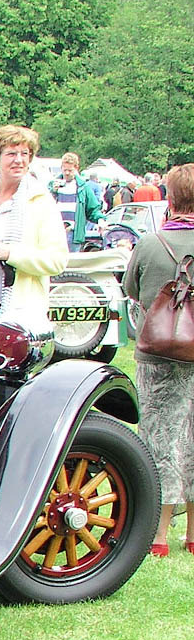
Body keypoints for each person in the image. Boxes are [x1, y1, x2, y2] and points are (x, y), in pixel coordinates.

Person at [121, 162, 194, 557]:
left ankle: (159, 533)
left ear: (169, 196)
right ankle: (193, 534)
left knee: (158, 437)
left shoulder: (149, 243)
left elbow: (132, 289)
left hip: (159, 352)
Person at [0, 125, 67, 329]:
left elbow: (57, 261)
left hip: (19, 316)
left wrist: (11, 253)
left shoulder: (41, 201)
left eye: (25, 154)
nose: (19, 160)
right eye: (11, 153)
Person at [48, 152, 104, 251]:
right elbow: (43, 207)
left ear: (77, 168)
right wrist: (52, 192)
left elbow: (93, 210)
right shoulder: (52, 185)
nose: (67, 173)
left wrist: (100, 220)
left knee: (72, 264)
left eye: (70, 170)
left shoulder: (83, 187)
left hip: (74, 235)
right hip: (54, 234)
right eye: (65, 170)